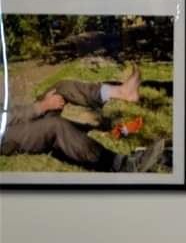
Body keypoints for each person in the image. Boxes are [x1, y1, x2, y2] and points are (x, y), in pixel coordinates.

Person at [1, 65, 166, 172]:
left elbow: (9, 113)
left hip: (9, 121)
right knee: (56, 126)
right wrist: (42, 107)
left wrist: (40, 106)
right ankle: (123, 165)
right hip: (5, 137)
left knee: (60, 88)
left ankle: (121, 92)